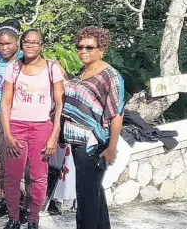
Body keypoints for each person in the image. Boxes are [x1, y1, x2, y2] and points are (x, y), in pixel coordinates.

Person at [0, 29, 65, 229]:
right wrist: (8, 134)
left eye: (35, 42)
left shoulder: (52, 67)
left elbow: (60, 104)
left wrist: (54, 135)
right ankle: (13, 217)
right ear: (22, 45)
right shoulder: (14, 69)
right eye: (27, 42)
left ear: (41, 46)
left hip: (41, 127)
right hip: (17, 126)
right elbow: (5, 103)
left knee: (38, 176)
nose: (30, 46)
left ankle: (34, 218)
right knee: (12, 175)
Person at [63, 27, 124, 229]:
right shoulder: (82, 72)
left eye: (89, 47)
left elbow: (117, 114)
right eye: (79, 47)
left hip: (95, 144)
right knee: (94, 192)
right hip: (78, 142)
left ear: (102, 49)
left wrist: (112, 148)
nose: (83, 51)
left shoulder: (110, 75)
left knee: (86, 196)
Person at [0, 25, 24, 219]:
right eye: (0, 44)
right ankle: (8, 202)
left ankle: (23, 204)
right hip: (1, 118)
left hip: (21, 118)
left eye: (8, 43)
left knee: (21, 164)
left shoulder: (25, 61)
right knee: (4, 163)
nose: (4, 47)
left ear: (17, 43)